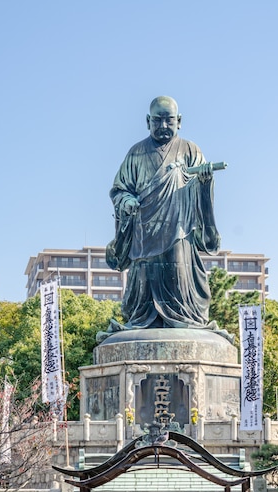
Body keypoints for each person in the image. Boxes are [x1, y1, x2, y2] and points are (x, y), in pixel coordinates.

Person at [106, 95, 221, 331]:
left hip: (179, 229)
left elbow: (200, 190)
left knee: (178, 274)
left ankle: (185, 317)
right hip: (144, 229)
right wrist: (126, 200)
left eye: (168, 120)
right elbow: (119, 190)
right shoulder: (136, 153)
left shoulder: (190, 150)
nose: (163, 126)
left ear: (179, 121)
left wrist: (205, 181)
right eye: (157, 120)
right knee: (145, 278)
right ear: (148, 121)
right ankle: (142, 318)